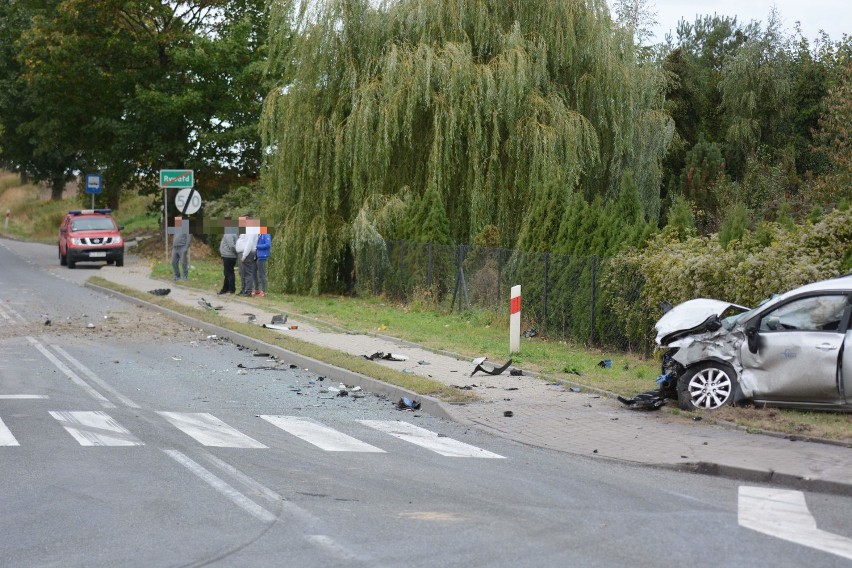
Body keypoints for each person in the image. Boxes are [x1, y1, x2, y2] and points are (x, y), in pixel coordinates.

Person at [238, 216, 259, 297]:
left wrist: (244, 255)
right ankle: (244, 290)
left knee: (247, 272)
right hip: (245, 252)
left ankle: (248, 291)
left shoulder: (251, 230)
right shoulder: (246, 230)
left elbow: (249, 244)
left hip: (248, 253)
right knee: (242, 272)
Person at [218, 217, 238, 294]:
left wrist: (235, 252)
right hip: (228, 255)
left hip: (228, 256)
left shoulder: (229, 232)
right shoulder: (233, 232)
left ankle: (231, 289)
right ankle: (225, 289)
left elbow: (232, 245)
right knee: (227, 272)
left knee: (229, 273)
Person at [171, 216, 191, 281]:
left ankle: (185, 276)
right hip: (175, 248)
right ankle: (177, 275)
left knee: (183, 262)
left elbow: (189, 238)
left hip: (182, 247)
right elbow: (174, 237)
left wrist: (186, 247)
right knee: (174, 262)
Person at [253, 228, 271, 297]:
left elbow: (268, 244)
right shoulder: (259, 235)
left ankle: (264, 291)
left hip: (262, 256)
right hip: (257, 256)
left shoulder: (266, 234)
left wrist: (257, 246)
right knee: (254, 272)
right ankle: (256, 289)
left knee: (262, 274)